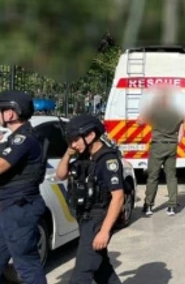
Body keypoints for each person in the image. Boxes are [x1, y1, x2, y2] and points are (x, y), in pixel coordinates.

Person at [0, 90, 47, 284]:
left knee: (26, 265)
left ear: (10, 113)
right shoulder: (17, 138)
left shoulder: (24, 139)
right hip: (9, 209)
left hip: (20, 209)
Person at [56, 115, 124, 284]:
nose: (73, 144)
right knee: (102, 271)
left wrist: (104, 231)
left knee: (82, 273)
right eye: (70, 141)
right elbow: (61, 175)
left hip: (98, 219)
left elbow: (118, 197)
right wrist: (68, 154)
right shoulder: (85, 156)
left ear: (91, 135)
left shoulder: (107, 160)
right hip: (85, 219)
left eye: (75, 140)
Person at [138, 88, 185, 216]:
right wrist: (175, 142)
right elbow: (181, 133)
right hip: (171, 146)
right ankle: (172, 206)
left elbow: (140, 121)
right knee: (171, 176)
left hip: (157, 146)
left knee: (153, 176)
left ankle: (148, 205)